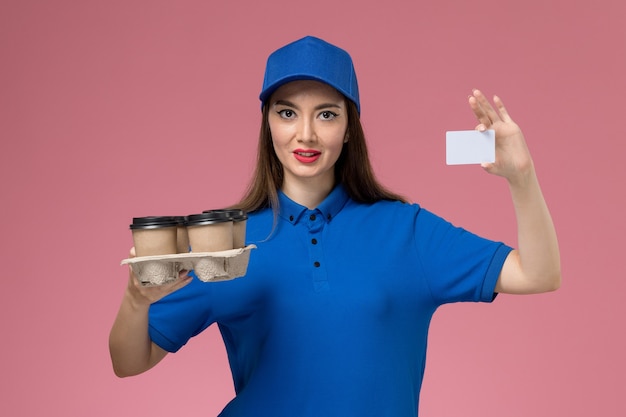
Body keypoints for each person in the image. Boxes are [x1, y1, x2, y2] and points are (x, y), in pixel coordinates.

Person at [109, 36, 561, 416]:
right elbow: (130, 362)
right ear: (268, 124)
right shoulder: (226, 241)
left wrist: (522, 178)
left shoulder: (407, 232)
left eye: (326, 114)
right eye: (287, 113)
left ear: (348, 128)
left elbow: (539, 275)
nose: (305, 133)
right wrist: (134, 299)